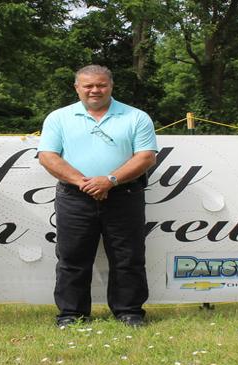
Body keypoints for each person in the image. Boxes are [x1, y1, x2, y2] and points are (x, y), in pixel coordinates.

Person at [37, 65, 159, 328]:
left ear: (111, 86)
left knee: (128, 255)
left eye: (101, 85)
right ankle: (71, 314)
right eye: (88, 85)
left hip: (124, 193)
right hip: (74, 195)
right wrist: (83, 182)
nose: (95, 90)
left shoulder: (136, 117)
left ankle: (129, 312)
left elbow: (146, 156)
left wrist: (110, 180)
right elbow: (47, 156)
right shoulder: (59, 117)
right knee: (71, 256)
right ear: (77, 88)